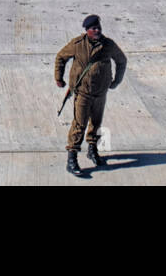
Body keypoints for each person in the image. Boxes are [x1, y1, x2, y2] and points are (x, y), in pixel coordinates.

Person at [54, 14, 127, 176]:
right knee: (79, 124)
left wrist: (116, 81)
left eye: (98, 28)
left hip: (100, 92)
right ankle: (71, 158)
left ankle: (92, 150)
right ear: (87, 30)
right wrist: (59, 78)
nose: (97, 30)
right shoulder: (77, 44)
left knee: (96, 122)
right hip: (83, 92)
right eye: (93, 28)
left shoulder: (108, 44)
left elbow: (121, 61)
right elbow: (61, 57)